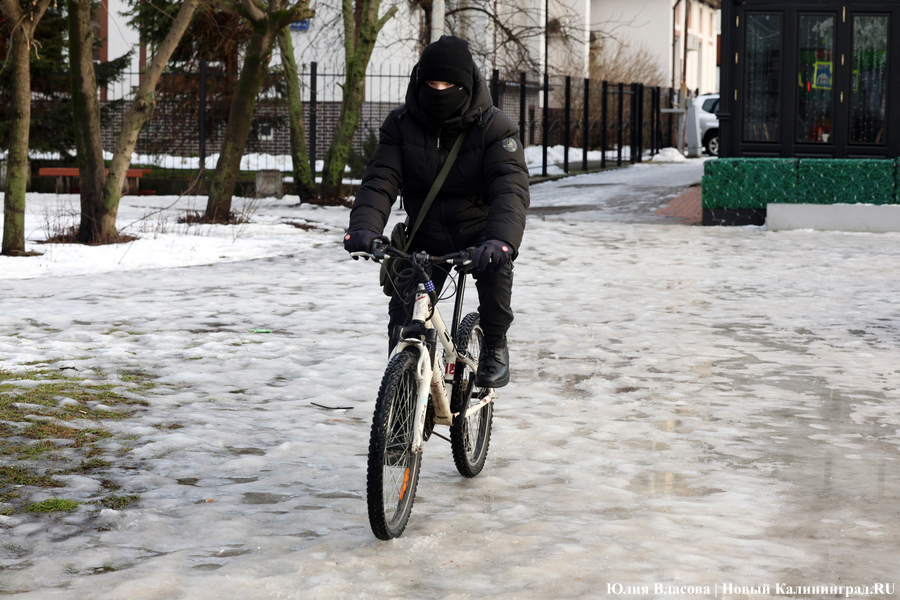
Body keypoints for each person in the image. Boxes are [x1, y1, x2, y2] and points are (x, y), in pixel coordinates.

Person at [343, 35, 529, 388]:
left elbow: (511, 189)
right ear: (419, 81)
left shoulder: (495, 128)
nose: (439, 90)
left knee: (496, 274)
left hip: (479, 232)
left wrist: (501, 240)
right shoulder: (400, 125)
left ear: (466, 83)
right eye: (431, 83)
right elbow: (379, 181)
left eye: (448, 84)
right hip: (424, 234)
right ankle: (402, 391)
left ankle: (494, 342)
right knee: (403, 314)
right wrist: (364, 228)